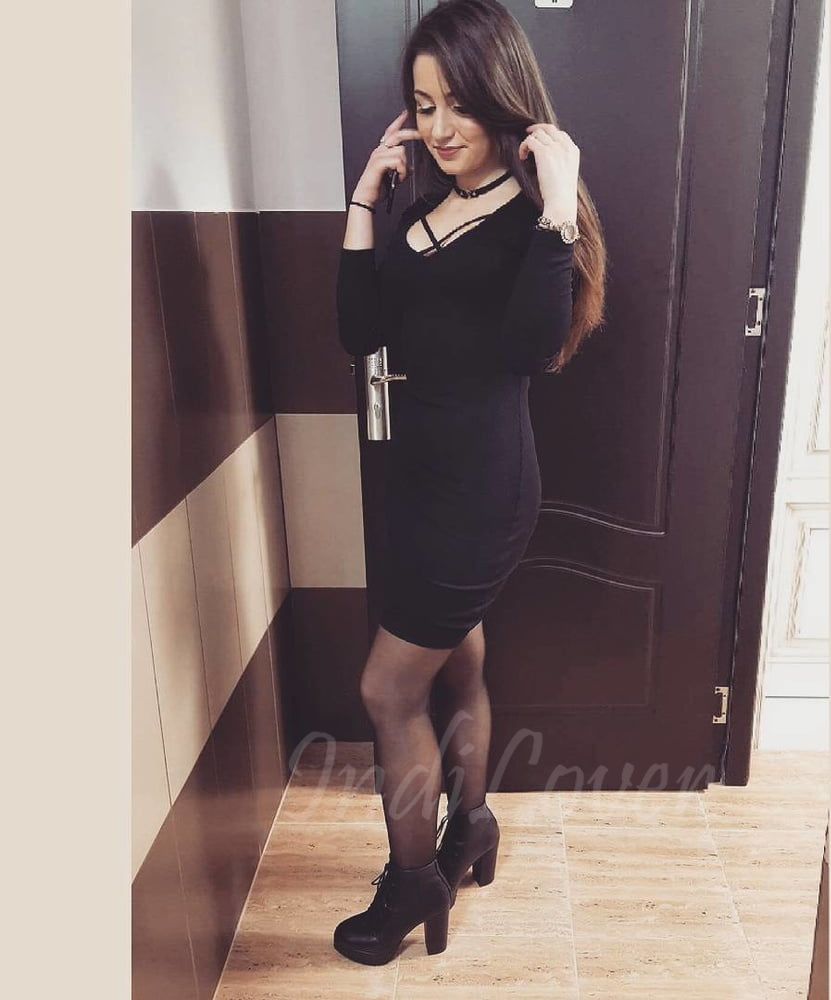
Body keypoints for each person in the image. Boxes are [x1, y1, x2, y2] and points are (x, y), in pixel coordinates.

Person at [332, 0, 606, 967]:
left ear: (502, 99)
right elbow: (361, 333)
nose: (440, 127)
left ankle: (413, 881)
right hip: (419, 482)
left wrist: (559, 200)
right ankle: (473, 825)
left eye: (459, 103)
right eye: (423, 106)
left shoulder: (532, 220)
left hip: (482, 494)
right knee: (459, 664)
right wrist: (365, 200)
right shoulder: (422, 210)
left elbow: (532, 347)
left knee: (385, 691)